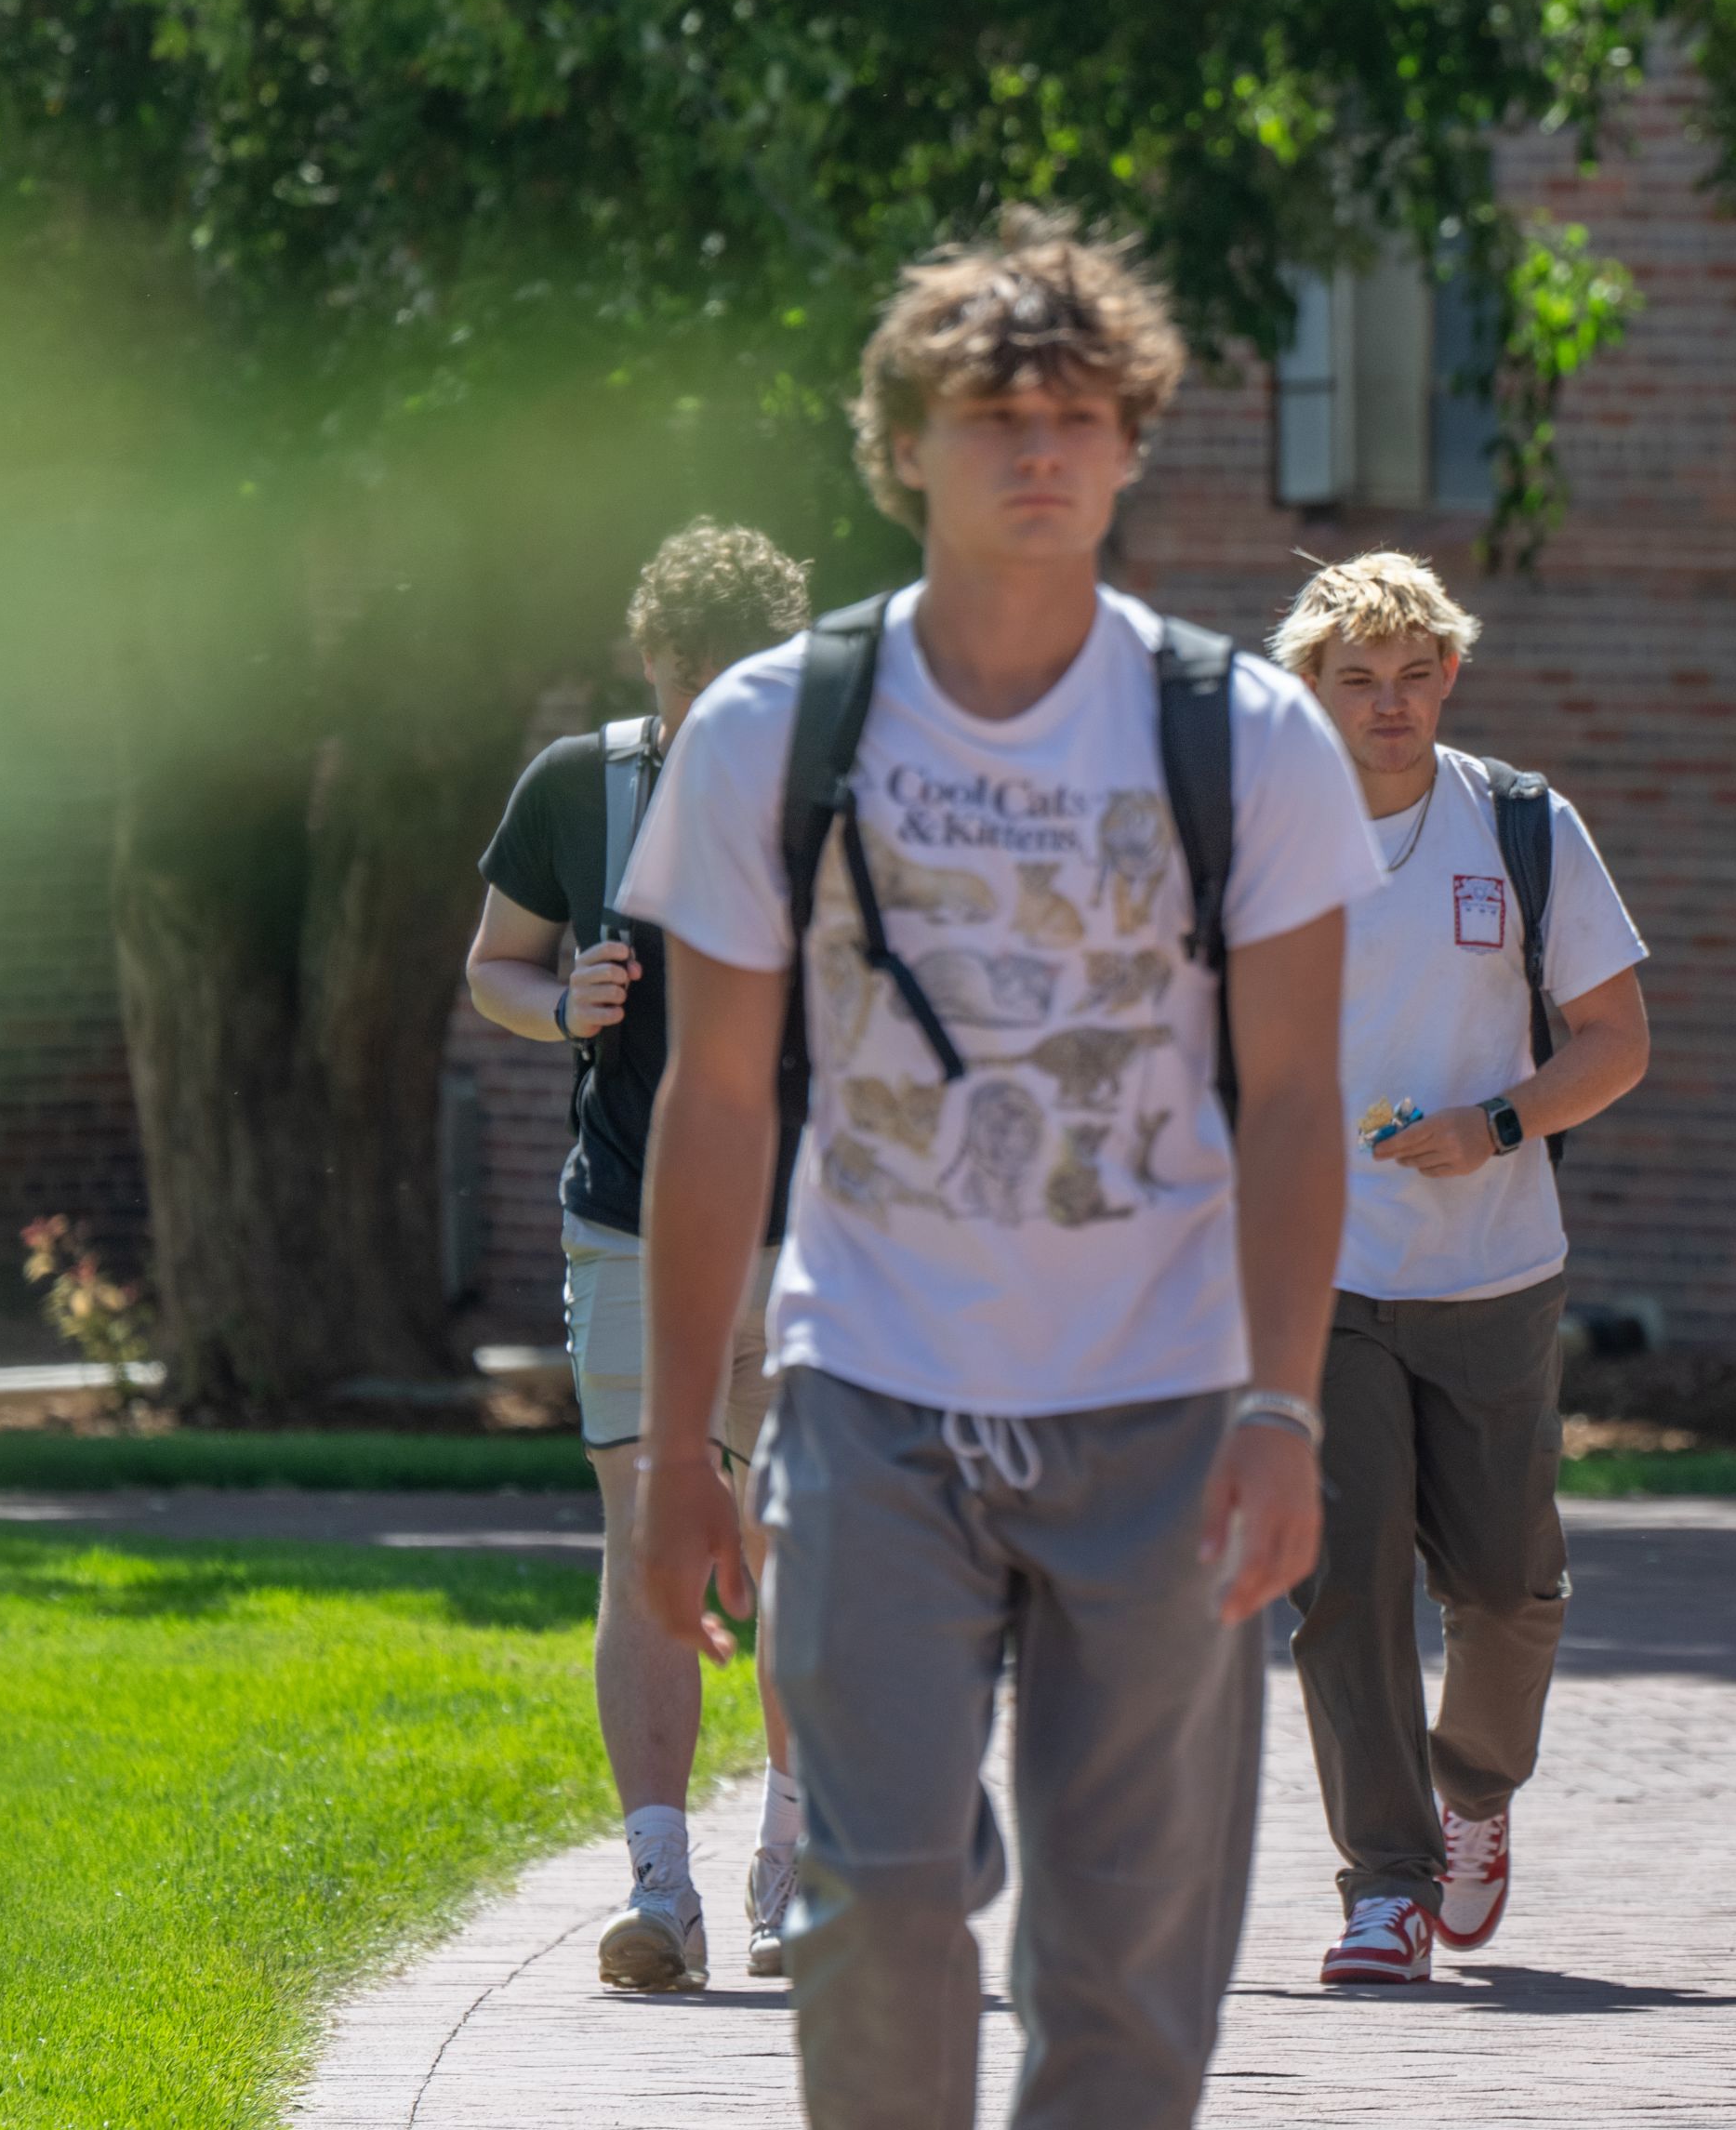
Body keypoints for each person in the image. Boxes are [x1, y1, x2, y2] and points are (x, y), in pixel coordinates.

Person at [617, 208, 1378, 2125]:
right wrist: (691, 1452)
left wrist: (1284, 1406)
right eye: (990, 414)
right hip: (870, 1398)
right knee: (873, 1906)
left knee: (1126, 1979)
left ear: (1131, 441)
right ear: (901, 447)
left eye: (1077, 412)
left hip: (1167, 1407)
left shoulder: (1246, 737)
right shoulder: (773, 732)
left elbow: (1294, 1101)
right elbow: (714, 1104)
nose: (1038, 449)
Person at [1267, 550, 1653, 1984]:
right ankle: (1384, 1885)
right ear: (1308, 689)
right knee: (1347, 1587)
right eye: (1358, 681)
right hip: (1321, 1273)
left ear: (1450, 676)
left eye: (1415, 676)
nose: (1390, 704)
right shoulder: (1253, 837)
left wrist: (1494, 1122)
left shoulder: (1523, 825)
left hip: (1494, 1273)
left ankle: (1473, 1791)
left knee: (1506, 1589)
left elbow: (1614, 1042)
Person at [465, 519, 814, 1990]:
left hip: (820, 1238)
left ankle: (793, 1877)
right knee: (645, 1549)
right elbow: (494, 964)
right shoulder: (580, 789)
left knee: (813, 1550)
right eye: (696, 688)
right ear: (655, 666)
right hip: (630, 1223)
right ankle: (658, 1888)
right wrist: (563, 1004)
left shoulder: (848, 795)